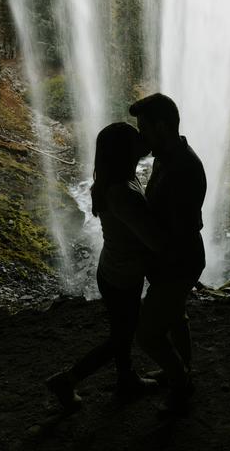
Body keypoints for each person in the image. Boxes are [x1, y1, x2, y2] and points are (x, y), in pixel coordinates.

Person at [45, 122, 165, 409]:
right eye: (136, 138)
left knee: (120, 333)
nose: (142, 137)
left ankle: (126, 380)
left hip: (113, 270)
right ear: (125, 150)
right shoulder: (121, 190)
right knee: (121, 337)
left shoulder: (117, 179)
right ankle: (68, 379)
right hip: (122, 276)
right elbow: (154, 241)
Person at [129, 93, 207, 416]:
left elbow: (174, 230)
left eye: (143, 128)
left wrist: (146, 250)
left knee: (146, 333)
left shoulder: (183, 167)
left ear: (162, 127)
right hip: (179, 258)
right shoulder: (166, 155)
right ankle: (181, 368)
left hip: (178, 261)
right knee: (176, 316)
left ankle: (180, 383)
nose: (140, 135)